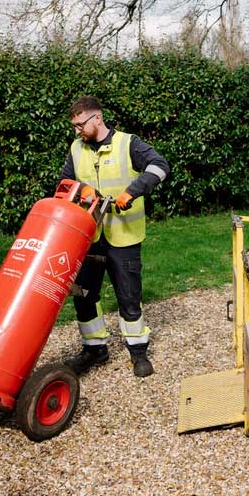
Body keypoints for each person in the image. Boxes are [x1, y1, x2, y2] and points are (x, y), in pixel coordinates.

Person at [59, 96, 170, 377]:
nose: (77, 131)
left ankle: (138, 352)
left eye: (80, 124)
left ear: (97, 118)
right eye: (74, 126)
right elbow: (64, 181)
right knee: (84, 294)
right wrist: (81, 190)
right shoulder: (76, 148)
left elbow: (160, 166)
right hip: (89, 237)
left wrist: (132, 191)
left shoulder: (128, 143)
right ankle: (94, 349)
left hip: (124, 237)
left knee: (129, 296)